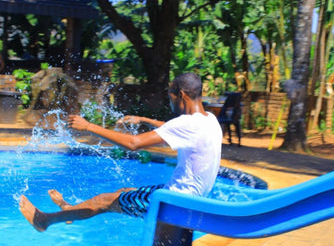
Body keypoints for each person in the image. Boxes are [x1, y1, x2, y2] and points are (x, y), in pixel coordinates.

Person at [19, 72, 223, 232]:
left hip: (174, 203)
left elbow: (134, 143)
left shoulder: (187, 123)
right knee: (123, 192)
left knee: (104, 201)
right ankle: (69, 212)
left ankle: (45, 220)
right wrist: (144, 120)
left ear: (182, 95)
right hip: (189, 198)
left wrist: (89, 126)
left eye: (170, 97)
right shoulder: (208, 120)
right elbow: (174, 127)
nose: (169, 102)